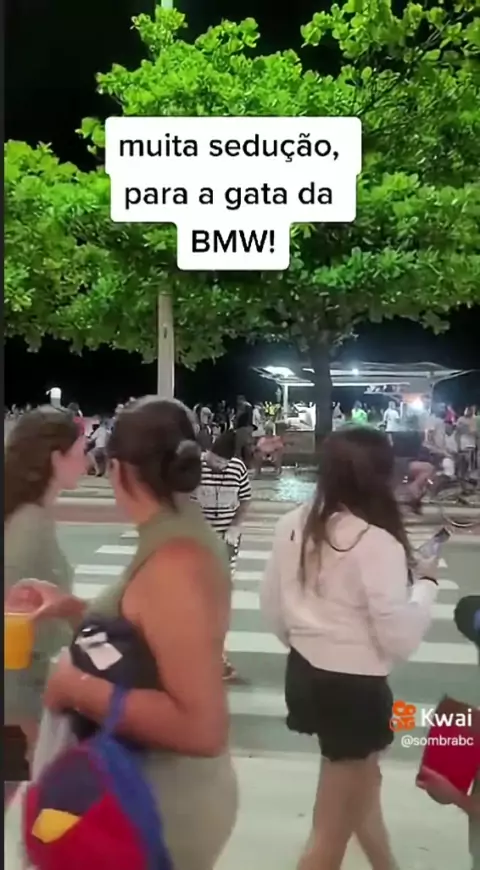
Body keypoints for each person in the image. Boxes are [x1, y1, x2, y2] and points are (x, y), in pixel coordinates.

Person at [10, 399, 238, 869]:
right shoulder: (173, 534)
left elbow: (201, 728)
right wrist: (71, 608)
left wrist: (77, 686)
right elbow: (142, 638)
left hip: (155, 808)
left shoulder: (176, 561)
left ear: (116, 469)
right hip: (140, 793)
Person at [261, 426, 439, 870]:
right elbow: (400, 637)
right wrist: (427, 585)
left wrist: (309, 641)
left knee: (360, 786)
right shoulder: (376, 542)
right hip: (354, 689)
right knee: (329, 832)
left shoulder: (293, 523)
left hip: (304, 672)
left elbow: (272, 607)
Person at [4, 407, 86, 761]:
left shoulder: (32, 518)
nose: (87, 463)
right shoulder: (30, 526)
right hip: (22, 707)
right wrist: (23, 722)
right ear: (56, 458)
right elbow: (13, 625)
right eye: (80, 453)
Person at [195, 429, 252, 681]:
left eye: (223, 463)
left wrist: (235, 527)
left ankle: (217, 655)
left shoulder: (237, 469)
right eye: (215, 461)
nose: (218, 467)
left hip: (227, 540)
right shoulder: (196, 467)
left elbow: (245, 499)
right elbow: (182, 502)